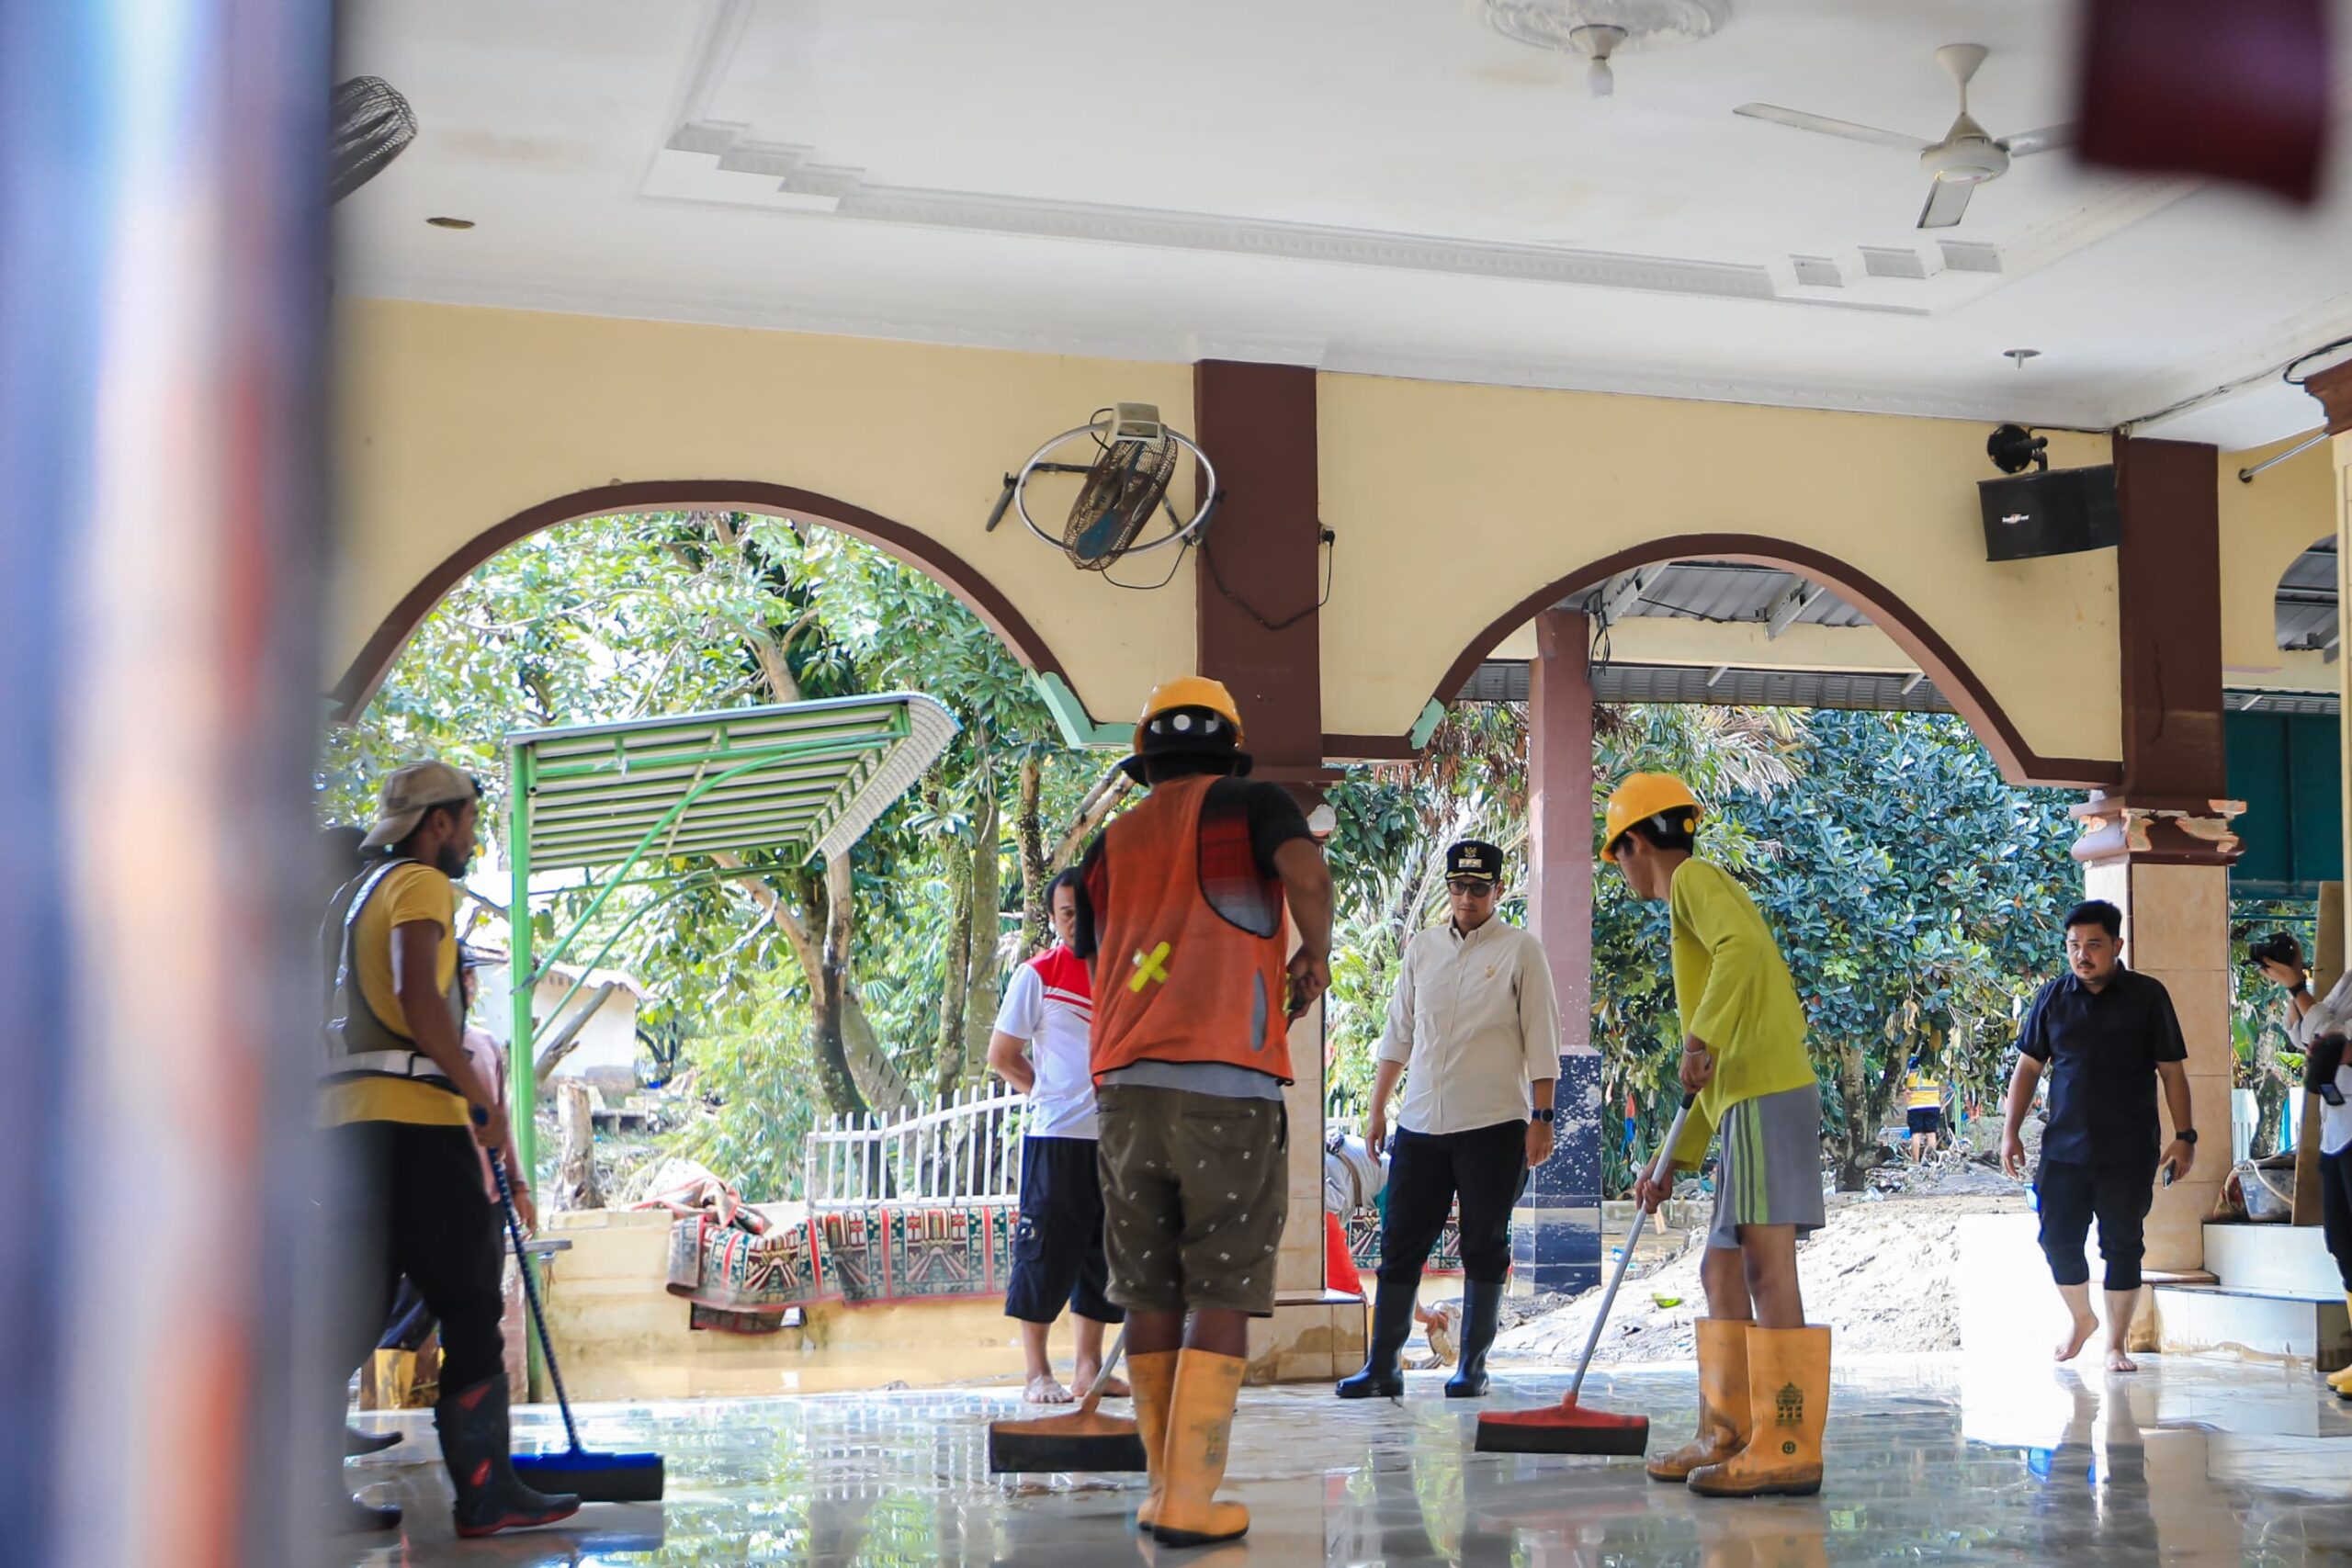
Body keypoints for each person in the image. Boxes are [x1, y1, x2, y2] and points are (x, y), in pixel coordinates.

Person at [1070, 676, 1334, 1547]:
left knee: (1148, 1286)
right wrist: (1313, 956)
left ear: (1147, 754)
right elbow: (1308, 872)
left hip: (1124, 1093)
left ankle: (1160, 1489)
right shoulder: (1251, 805)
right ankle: (1192, 1495)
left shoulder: (1113, 839)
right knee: (1220, 1282)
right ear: (1230, 747)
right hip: (1226, 1080)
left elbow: (1094, 947)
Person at [321, 761, 578, 1537]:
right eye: (467, 820)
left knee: (353, 1304)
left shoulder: (349, 895)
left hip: (346, 1126)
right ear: (438, 822)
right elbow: (417, 996)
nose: (471, 836)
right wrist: (478, 1092)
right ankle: (485, 1493)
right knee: (469, 1296)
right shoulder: (419, 885)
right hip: (413, 1124)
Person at [1608, 773, 1831, 1499]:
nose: (1624, 872)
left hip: (1767, 1094)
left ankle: (1789, 1443)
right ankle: (1727, 1431)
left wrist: (1698, 1034)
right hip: (1743, 1101)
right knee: (1719, 1270)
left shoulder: (1695, 880)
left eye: (1619, 857)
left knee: (1767, 1268)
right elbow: (1708, 1074)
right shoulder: (1691, 895)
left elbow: (1738, 952)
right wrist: (1670, 1159)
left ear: (1637, 843)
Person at [1337, 839, 1558, 1402]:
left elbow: (1542, 1040)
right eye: (1458, 888)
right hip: (1421, 1124)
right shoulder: (1424, 949)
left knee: (1484, 1242)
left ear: (1497, 890)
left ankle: (1474, 1367)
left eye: (1478, 889)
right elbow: (1399, 1032)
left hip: (1493, 1123)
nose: (1466, 898)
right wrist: (1378, 1105)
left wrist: (1543, 1117)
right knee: (1400, 1241)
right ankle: (1383, 1365)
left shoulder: (1520, 951)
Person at [1998, 899, 2198, 1375]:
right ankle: (2081, 1318)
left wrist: (2185, 1136)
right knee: (2056, 1240)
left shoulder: (2148, 997)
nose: (2082, 956)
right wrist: (2010, 1132)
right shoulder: (2051, 997)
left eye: (2093, 945)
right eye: (2073, 946)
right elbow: (2028, 1067)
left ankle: (2115, 1345)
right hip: (2063, 1149)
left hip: (2127, 1150)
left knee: (2123, 1244)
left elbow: (2172, 1072)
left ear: (2117, 946)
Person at [986, 867, 1127, 1405]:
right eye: (1068, 913)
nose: (1078, 922)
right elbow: (1003, 1055)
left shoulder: (1122, 975)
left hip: (1114, 1142)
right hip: (1056, 1142)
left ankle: (1089, 1370)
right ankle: (1036, 1373)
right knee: (1045, 1250)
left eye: (1087, 911)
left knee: (1101, 1255)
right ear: (1052, 919)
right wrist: (1049, 1097)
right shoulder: (1037, 975)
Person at [2267, 937, 2352, 1400]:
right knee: (2342, 1241)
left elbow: (2337, 1040)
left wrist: (2301, 988)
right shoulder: (2349, 982)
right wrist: (2293, 987)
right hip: (2339, 1129)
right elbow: (2307, 1036)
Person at [1904, 1062, 1945, 1164]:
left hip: (1915, 1105)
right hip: (1933, 1104)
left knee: (1916, 1135)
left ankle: (1915, 1163)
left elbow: (1902, 1081)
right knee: (1931, 1134)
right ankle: (1931, 1162)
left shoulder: (1910, 1063)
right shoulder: (1935, 1063)